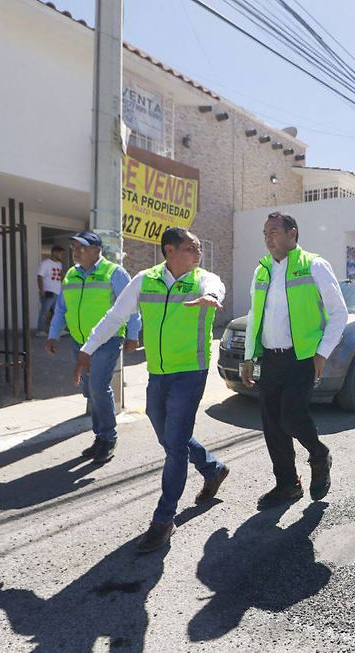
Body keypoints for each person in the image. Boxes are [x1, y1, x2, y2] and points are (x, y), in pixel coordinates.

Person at [74, 227, 227, 553]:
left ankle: (163, 520)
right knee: (170, 436)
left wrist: (213, 297)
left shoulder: (203, 280)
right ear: (169, 251)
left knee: (174, 448)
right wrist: (87, 348)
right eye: (192, 248)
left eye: (199, 249)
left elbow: (217, 286)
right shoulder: (145, 279)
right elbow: (116, 316)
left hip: (190, 373)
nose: (198, 254)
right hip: (157, 374)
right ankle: (212, 468)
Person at [240, 211, 348, 510]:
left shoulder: (314, 265)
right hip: (270, 359)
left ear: (292, 233)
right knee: (272, 426)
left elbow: (339, 313)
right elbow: (254, 318)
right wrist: (249, 357)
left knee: (291, 416)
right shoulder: (261, 270)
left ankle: (318, 454)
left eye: (274, 230)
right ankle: (287, 485)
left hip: (302, 358)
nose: (268, 236)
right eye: (265, 232)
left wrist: (322, 353)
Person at [46, 231, 141, 464]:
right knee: (89, 391)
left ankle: (108, 437)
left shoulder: (114, 272)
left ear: (97, 251)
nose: (76, 252)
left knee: (98, 387)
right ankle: (100, 436)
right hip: (80, 342)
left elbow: (132, 306)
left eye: (83, 247)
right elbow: (61, 308)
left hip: (108, 340)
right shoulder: (71, 274)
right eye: (74, 248)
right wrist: (53, 335)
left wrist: (132, 335)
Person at [35, 245, 64, 336]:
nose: (61, 256)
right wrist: (41, 290)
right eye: (60, 253)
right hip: (48, 292)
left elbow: (60, 276)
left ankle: (58, 330)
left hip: (58, 292)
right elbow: (40, 276)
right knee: (45, 311)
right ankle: (41, 330)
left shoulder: (59, 264)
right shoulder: (46, 263)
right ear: (54, 253)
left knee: (59, 312)